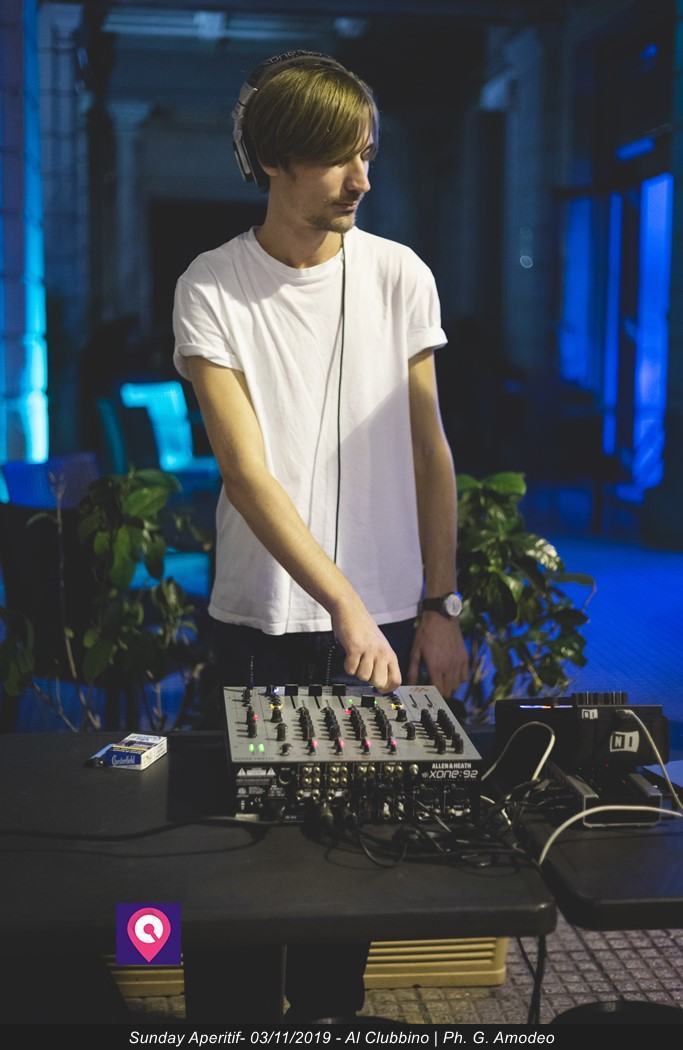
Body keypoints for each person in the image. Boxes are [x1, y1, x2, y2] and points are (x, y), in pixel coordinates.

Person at [173, 50, 469, 1024]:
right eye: (340, 158)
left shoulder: (398, 276)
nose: (361, 179)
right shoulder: (212, 286)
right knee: (239, 884)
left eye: (367, 154)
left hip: (385, 627)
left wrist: (438, 604)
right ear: (273, 160)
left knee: (348, 887)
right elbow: (246, 473)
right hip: (260, 625)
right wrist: (341, 601)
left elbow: (429, 448)